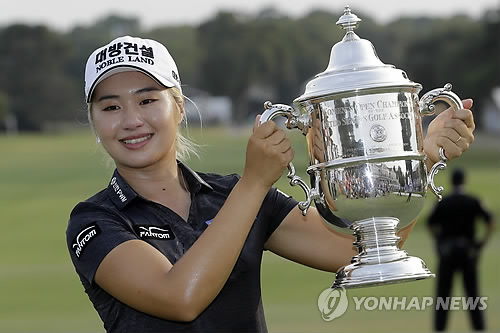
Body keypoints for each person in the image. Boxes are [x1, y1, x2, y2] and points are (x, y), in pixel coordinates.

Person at [66, 36, 476, 333]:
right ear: (95, 121)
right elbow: (181, 298)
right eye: (111, 107)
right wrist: (255, 181)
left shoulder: (231, 195)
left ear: (177, 107)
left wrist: (419, 160)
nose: (131, 120)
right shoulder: (95, 221)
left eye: (147, 100)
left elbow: (355, 252)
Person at [428, 168, 494, 331]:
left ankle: (440, 328)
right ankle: (479, 327)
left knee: (443, 294)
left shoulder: (444, 202)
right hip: (468, 252)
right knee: (472, 293)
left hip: (447, 253)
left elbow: (430, 223)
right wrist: (481, 242)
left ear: (452, 182)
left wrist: (438, 241)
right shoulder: (473, 200)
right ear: (464, 181)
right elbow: (490, 221)